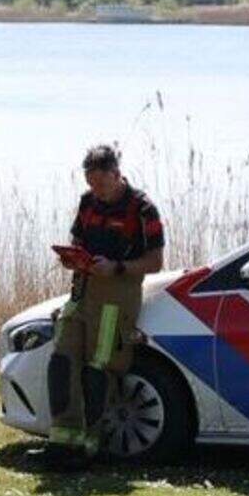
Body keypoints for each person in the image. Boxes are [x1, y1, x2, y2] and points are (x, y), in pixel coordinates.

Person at [48, 142, 165, 462]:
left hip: (117, 296)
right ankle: (62, 439)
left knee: (98, 368)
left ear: (116, 175)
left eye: (100, 184)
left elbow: (155, 261)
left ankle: (91, 443)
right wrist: (72, 258)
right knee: (61, 361)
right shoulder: (87, 203)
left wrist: (117, 267)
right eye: (90, 184)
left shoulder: (143, 209)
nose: (95, 190)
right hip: (81, 290)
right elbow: (77, 238)